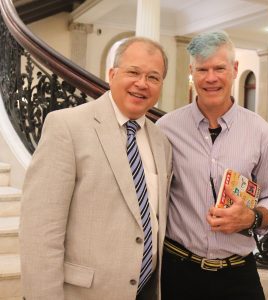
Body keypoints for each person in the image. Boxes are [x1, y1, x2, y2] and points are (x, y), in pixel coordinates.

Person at [20, 37, 172, 300]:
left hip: (146, 291)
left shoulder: (161, 142)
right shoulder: (67, 127)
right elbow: (40, 232)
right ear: (112, 74)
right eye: (133, 72)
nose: (141, 83)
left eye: (153, 77)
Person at [157, 30, 268, 300]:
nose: (211, 77)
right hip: (177, 273)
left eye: (219, 68)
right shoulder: (166, 128)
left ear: (235, 69)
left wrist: (251, 217)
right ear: (192, 71)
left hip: (237, 274)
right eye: (202, 69)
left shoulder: (261, 132)